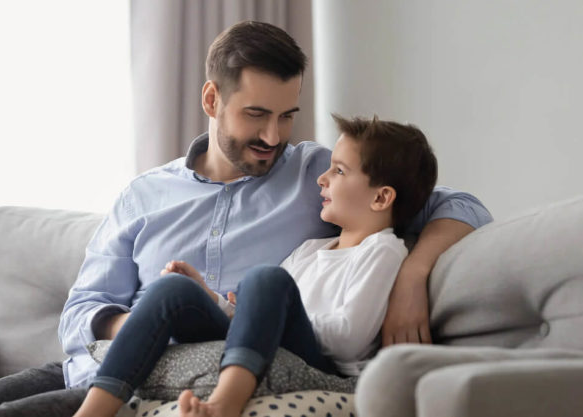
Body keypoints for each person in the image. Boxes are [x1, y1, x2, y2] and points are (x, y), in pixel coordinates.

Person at [0, 20, 492, 417]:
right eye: (256, 115)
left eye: (286, 116)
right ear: (212, 99)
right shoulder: (144, 195)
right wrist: (153, 324)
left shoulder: (317, 175)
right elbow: (81, 311)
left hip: (213, 372)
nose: (273, 137)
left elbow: (460, 205)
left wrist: (413, 275)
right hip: (111, 366)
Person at [71, 112, 439, 417]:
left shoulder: (383, 251)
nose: (322, 178)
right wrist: (210, 298)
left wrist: (279, 315)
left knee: (266, 279)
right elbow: (251, 317)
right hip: (271, 345)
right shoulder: (311, 249)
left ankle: (225, 403)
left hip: (323, 367)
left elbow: (348, 342)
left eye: (339, 171)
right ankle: (94, 409)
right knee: (172, 289)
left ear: (381, 198)